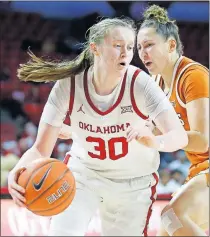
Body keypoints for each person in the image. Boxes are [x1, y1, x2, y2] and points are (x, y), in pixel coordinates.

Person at [8, 17, 188, 236]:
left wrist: (155, 140)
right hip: (84, 176)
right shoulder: (69, 85)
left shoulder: (140, 83)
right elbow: (40, 149)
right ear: (95, 48)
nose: (126, 53)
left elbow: (179, 136)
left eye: (130, 47)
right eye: (118, 45)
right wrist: (16, 173)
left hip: (133, 185)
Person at [137, 5, 209, 236]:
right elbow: (152, 132)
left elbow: (202, 141)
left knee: (172, 216)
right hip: (199, 168)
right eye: (139, 47)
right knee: (168, 229)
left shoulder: (192, 76)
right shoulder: (156, 83)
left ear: (170, 45)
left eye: (149, 45)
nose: (143, 53)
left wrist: (156, 140)